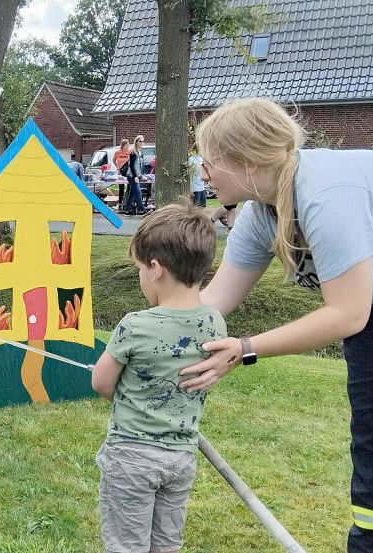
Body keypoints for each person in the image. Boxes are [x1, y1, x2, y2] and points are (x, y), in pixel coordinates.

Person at [181, 98, 373, 553]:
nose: (203, 172)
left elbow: (346, 314)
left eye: (209, 160)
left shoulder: (325, 194)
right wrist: (150, 335)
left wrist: (246, 347)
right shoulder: (262, 212)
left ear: (248, 160)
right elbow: (214, 301)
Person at [92, 203, 225, 553]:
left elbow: (102, 384)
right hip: (180, 460)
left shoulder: (134, 325)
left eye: (139, 267)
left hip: (131, 459)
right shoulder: (214, 323)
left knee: (126, 545)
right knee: (166, 545)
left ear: (155, 269)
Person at [121, 135, 147, 215]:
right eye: (140, 141)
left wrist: (142, 174)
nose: (142, 143)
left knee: (132, 193)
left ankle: (127, 209)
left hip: (138, 175)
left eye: (143, 141)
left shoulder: (141, 153)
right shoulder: (133, 152)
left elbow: (141, 165)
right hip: (132, 176)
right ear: (136, 142)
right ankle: (142, 209)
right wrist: (135, 176)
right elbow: (131, 166)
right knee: (138, 192)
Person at [112, 139, 131, 206]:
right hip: (120, 171)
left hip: (128, 171)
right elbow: (114, 160)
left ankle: (127, 201)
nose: (128, 146)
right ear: (123, 145)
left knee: (129, 186)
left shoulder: (129, 152)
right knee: (121, 187)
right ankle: (120, 201)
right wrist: (117, 166)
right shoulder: (118, 152)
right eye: (127, 145)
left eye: (128, 145)